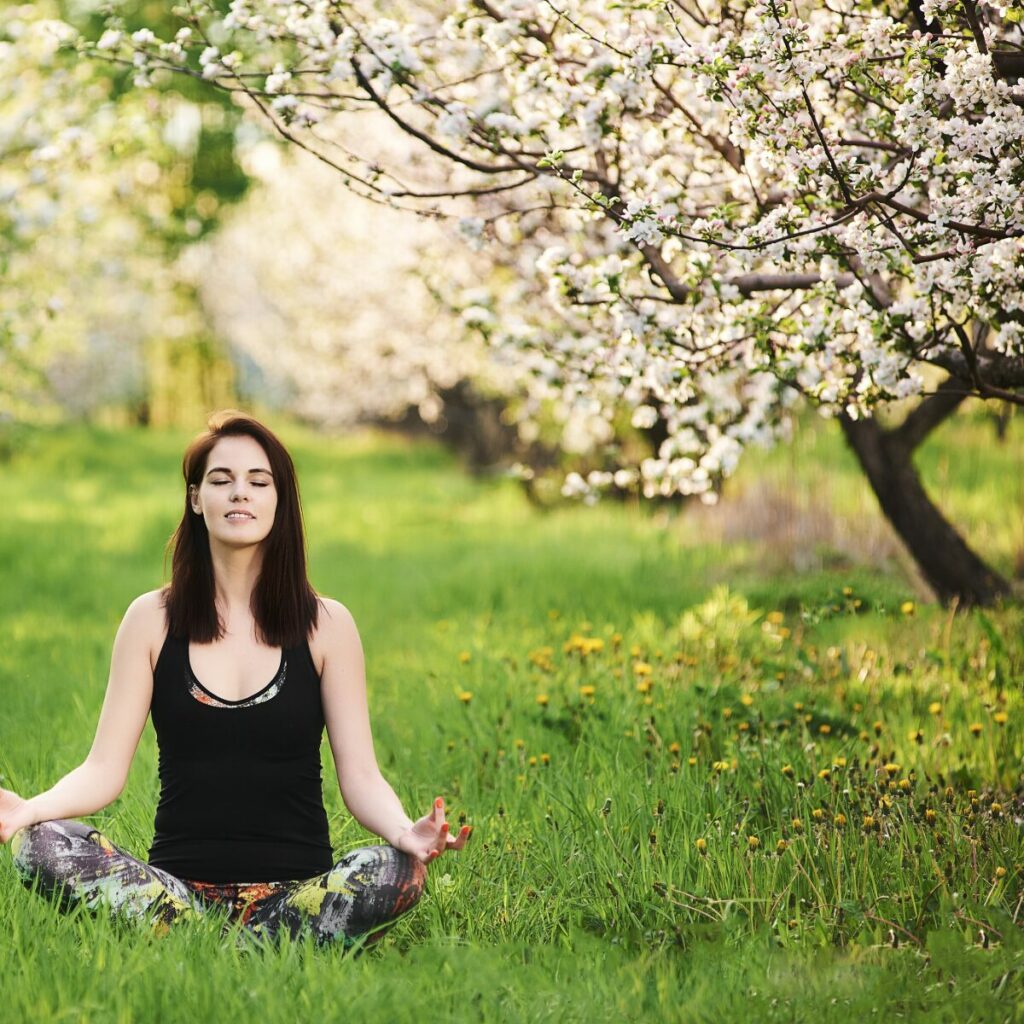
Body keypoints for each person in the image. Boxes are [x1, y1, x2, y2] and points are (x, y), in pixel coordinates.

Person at [0, 410, 471, 947]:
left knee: (399, 869)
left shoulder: (328, 625)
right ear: (196, 498)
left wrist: (402, 833)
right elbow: (104, 769)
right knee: (40, 845)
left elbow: (360, 777)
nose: (239, 494)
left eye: (258, 481)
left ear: (279, 500)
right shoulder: (150, 619)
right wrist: (29, 811)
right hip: (174, 894)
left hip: (301, 895)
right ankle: (215, 937)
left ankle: (244, 939)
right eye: (221, 481)